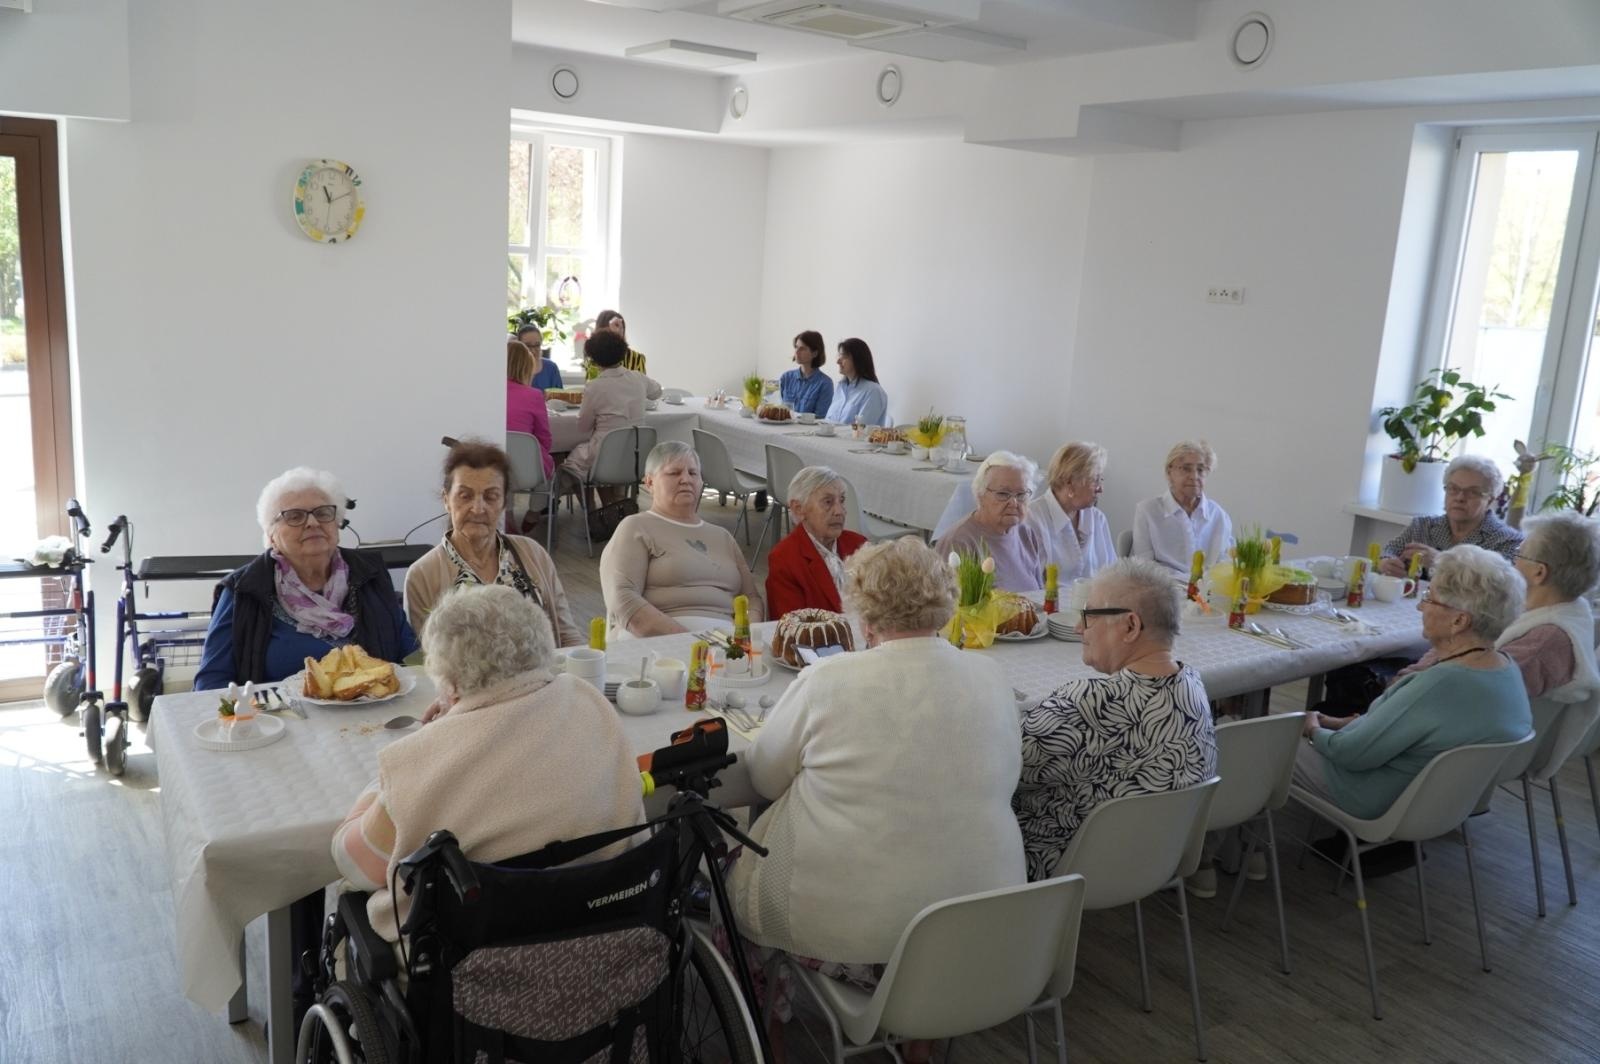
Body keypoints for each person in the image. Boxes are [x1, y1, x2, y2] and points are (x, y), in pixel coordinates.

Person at [728, 537, 1024, 1031]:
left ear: (861, 612)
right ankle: (921, 1038)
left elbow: (762, 778)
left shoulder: (829, 680)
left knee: (727, 889)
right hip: (979, 928)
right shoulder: (990, 676)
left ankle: (768, 1039)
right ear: (946, 603)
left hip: (856, 938)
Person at [332, 584, 644, 946]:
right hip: (606, 937)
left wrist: (386, 779)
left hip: (477, 971)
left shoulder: (422, 760)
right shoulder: (588, 701)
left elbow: (354, 864)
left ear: (447, 683)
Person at [1013, 558, 1217, 881]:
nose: (1079, 628)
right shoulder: (1193, 687)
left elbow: (1001, 765)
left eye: (1089, 615)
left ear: (1131, 626)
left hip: (1061, 870)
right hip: (1156, 862)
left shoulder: (1089, 704)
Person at [1297, 544, 1532, 820]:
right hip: (1441, 804)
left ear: (1459, 620)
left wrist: (1313, 730)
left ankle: (1240, 849)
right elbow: (1407, 729)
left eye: (1429, 599)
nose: (1421, 606)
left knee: (1255, 744)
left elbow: (1350, 754)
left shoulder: (1441, 684)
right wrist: (1337, 723)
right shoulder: (1505, 668)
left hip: (1372, 796)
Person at [195, 467, 418, 690]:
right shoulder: (243, 590)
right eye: (294, 516)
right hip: (282, 721)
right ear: (271, 535)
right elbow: (211, 683)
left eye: (322, 513)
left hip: (376, 717)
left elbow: (411, 657)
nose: (312, 523)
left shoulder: (371, 574)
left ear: (336, 523)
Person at [1392, 510, 1600, 705]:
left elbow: (1458, 697)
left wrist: (1394, 692)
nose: (1513, 561)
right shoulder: (1543, 611)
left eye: (1520, 553)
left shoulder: (1543, 642)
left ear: (1539, 572)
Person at [404, 439, 583, 647]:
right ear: (446, 500)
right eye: (465, 496)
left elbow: (568, 637)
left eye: (491, 497)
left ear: (504, 502)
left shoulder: (533, 554)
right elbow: (429, 662)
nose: (478, 508)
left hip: (545, 677)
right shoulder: (423, 575)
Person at [599, 441, 764, 637]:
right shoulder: (636, 527)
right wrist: (689, 640)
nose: (686, 479)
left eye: (693, 473)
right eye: (674, 473)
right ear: (650, 482)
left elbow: (752, 598)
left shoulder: (723, 537)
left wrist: (747, 634)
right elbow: (622, 599)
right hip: (660, 644)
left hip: (726, 646)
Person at [1378, 454, 1524, 576]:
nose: (1460, 497)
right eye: (1453, 489)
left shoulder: (1508, 540)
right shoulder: (1422, 526)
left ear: (1490, 499)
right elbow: (1390, 550)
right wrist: (1387, 562)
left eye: (1472, 492)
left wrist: (1441, 561)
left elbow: (1500, 585)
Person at [934, 451, 1050, 592]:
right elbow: (946, 607)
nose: (1014, 502)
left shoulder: (1026, 533)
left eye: (1021, 494)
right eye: (1003, 494)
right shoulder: (958, 542)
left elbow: (1039, 593)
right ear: (980, 495)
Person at [765, 466, 867, 618]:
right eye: (828, 502)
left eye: (842, 500)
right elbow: (793, 630)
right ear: (799, 509)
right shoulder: (785, 559)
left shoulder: (858, 545)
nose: (839, 511)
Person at [562, 329, 662, 481]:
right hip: (635, 455)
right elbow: (657, 392)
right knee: (605, 462)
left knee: (570, 460)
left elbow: (583, 427)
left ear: (594, 359)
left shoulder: (594, 387)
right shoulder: (638, 378)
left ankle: (593, 503)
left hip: (603, 454)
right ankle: (614, 501)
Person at [1131, 439, 1234, 575]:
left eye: (1201, 469)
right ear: (1169, 472)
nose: (1194, 476)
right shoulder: (1148, 511)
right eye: (1186, 469)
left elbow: (1227, 563)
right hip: (1165, 590)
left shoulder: (1218, 515)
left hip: (1208, 592)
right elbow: (1142, 565)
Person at [1029, 441, 1115, 581]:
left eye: (1101, 479)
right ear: (1069, 482)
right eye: (1095, 480)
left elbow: (1112, 574)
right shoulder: (1032, 518)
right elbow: (1031, 584)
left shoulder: (1097, 518)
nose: (1100, 488)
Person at [505, 339, 555, 477]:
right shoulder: (534, 395)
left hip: (492, 467)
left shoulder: (488, 393)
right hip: (527, 470)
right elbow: (545, 439)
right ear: (527, 367)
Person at [823, 338, 888, 428]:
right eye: (839, 356)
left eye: (844, 357)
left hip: (855, 441)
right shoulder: (840, 387)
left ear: (858, 360)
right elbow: (828, 422)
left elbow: (860, 430)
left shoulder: (873, 391)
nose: (838, 361)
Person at [777, 330, 833, 417]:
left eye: (802, 349)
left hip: (808, 430)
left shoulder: (825, 383)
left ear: (815, 353)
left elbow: (820, 418)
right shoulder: (786, 377)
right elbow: (777, 408)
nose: (796, 352)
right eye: (796, 347)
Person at [583, 309, 647, 378]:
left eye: (619, 327)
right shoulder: (593, 359)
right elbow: (594, 385)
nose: (617, 331)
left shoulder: (636, 358)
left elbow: (641, 386)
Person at [512, 325, 564, 391]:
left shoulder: (551, 367)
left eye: (537, 345)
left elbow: (559, 397)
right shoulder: (512, 368)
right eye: (527, 346)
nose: (533, 351)